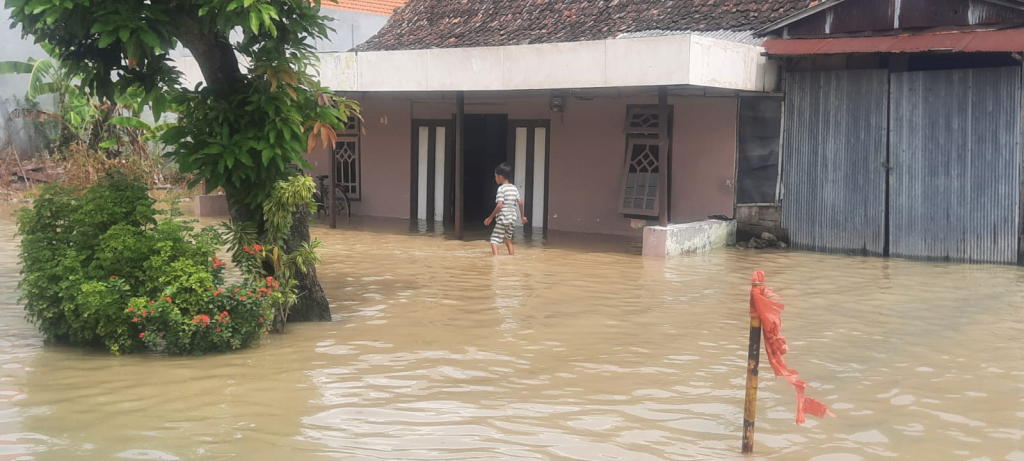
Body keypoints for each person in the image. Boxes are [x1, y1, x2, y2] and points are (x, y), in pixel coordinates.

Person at [484, 163, 528, 256]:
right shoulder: (514, 188)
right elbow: (520, 202)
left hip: (503, 218)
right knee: (507, 239)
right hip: (512, 219)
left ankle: (495, 259)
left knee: (494, 240)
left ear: (500, 176)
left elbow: (500, 205)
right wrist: (522, 216)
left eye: (495, 176)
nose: (495, 178)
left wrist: (490, 218)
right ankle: (512, 257)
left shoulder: (501, 189)